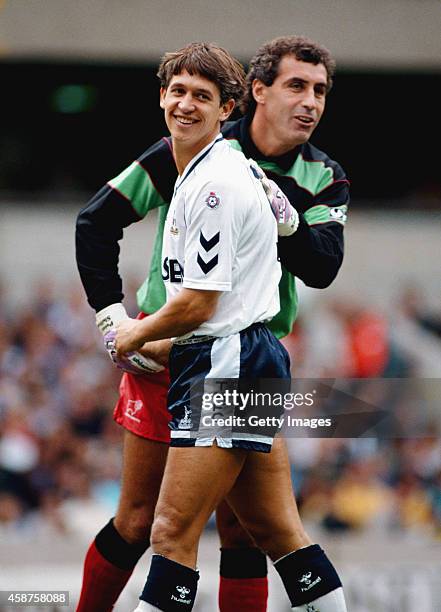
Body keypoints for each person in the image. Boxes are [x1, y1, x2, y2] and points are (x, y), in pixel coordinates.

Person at [75, 36, 349, 612]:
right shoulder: (192, 148)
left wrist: (286, 220)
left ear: (223, 104)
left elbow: (323, 266)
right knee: (145, 519)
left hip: (227, 347)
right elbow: (96, 222)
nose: (311, 102)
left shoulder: (316, 175)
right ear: (255, 94)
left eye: (320, 90)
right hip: (171, 350)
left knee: (227, 532)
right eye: (297, 86)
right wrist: (111, 316)